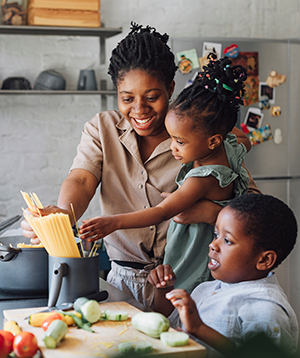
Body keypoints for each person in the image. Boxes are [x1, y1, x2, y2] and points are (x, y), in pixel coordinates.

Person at [21, 23, 260, 308]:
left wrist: (210, 213)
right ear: (117, 93)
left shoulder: (200, 136)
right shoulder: (102, 128)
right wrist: (63, 215)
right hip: (122, 280)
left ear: (170, 88)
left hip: (192, 279)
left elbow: (254, 207)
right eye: (127, 98)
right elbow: (82, 180)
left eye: (151, 97)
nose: (139, 110)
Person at [79, 54, 251, 295]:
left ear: (170, 89)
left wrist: (113, 222)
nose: (173, 147)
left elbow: (162, 212)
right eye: (127, 98)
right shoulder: (224, 148)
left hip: (185, 273)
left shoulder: (201, 174)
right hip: (131, 275)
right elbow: (244, 139)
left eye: (178, 141)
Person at [148, 194, 299, 356]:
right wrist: (164, 289)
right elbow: (169, 325)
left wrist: (199, 329)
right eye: (215, 235)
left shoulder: (265, 310)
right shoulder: (206, 289)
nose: (213, 245)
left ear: (264, 260)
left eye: (227, 240)